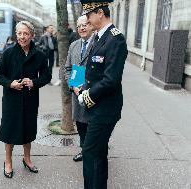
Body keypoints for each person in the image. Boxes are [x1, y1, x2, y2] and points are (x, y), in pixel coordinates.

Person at [78, 0, 128, 188]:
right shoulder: (100, 37)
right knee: (97, 153)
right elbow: (93, 71)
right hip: (98, 107)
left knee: (91, 153)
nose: (87, 19)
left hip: (105, 108)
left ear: (100, 13)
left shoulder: (115, 39)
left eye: (89, 15)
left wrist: (87, 95)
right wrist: (82, 88)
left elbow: (111, 79)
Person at [0, 21, 51, 179]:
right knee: (9, 130)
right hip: (11, 99)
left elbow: (47, 76)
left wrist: (33, 82)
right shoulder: (8, 53)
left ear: (32, 35)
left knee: (28, 129)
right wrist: (10, 83)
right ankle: (8, 161)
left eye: (26, 33)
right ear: (16, 34)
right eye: (19, 33)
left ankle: (27, 159)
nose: (22, 37)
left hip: (30, 99)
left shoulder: (40, 55)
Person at [64, 15, 95, 162]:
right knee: (81, 125)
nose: (82, 28)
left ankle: (94, 151)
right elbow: (68, 68)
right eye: (79, 26)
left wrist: (89, 86)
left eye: (85, 24)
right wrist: (73, 85)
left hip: (94, 93)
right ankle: (84, 151)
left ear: (91, 25)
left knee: (94, 125)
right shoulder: (74, 45)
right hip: (77, 92)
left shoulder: (99, 43)